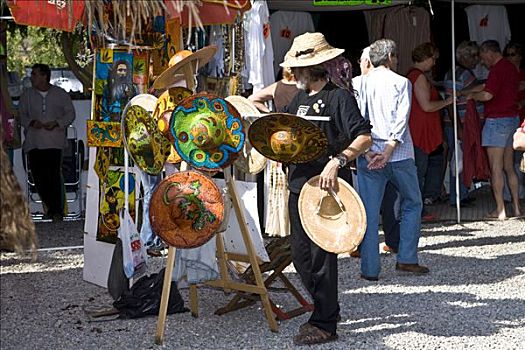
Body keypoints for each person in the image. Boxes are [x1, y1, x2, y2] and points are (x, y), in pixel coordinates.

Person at [280, 32, 372, 345]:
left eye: (297, 69)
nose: (293, 74)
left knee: (322, 258)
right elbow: (288, 133)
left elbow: (364, 137)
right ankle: (328, 307)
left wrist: (338, 160)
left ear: (312, 67)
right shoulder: (298, 99)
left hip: (327, 188)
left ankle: (325, 322)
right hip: (299, 186)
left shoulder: (339, 97)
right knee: (300, 256)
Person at [356, 38, 429, 281]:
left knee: (367, 211)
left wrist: (366, 151)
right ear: (390, 57)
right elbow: (401, 119)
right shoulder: (401, 82)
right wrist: (388, 151)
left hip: (368, 154)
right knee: (412, 203)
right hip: (398, 155)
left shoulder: (358, 83)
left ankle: (370, 269)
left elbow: (355, 121)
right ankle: (407, 258)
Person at [464, 40, 521, 220]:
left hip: (497, 121)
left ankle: (500, 210)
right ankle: (517, 208)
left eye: (483, 57)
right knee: (509, 167)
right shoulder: (511, 67)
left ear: (490, 53)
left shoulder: (496, 70)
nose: (482, 62)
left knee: (495, 168)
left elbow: (488, 94)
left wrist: (472, 96)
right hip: (513, 119)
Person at [353, 47, 399, 255]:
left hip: (368, 150)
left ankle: (366, 250)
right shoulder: (396, 81)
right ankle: (390, 242)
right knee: (388, 201)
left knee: (367, 204)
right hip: (386, 150)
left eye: (363, 61)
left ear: (368, 63)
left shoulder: (356, 84)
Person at [19, 64, 76, 222]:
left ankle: (56, 211)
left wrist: (57, 123)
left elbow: (70, 113)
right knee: (39, 177)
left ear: (44, 76)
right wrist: (31, 122)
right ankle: (50, 208)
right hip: (34, 142)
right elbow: (21, 115)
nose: (32, 77)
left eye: (35, 74)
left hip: (54, 142)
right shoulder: (27, 95)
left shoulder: (60, 94)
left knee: (53, 176)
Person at [407, 42, 454, 218]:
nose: (434, 63)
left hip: (421, 128)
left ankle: (423, 202)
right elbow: (426, 106)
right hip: (421, 130)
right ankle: (418, 208)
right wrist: (447, 102)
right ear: (426, 58)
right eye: (433, 59)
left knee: (423, 168)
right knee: (419, 170)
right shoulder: (418, 77)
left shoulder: (416, 76)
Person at [443, 41, 483, 207]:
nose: (476, 59)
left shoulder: (465, 73)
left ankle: (463, 193)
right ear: (465, 56)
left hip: (464, 124)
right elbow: (451, 103)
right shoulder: (457, 74)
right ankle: (457, 197)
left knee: (463, 158)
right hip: (459, 125)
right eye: (474, 56)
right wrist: (458, 127)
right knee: (458, 159)